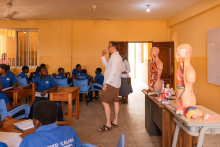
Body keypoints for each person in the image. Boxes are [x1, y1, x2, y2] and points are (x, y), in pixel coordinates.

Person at [98, 42, 123, 132]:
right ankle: (115, 121)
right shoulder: (117, 57)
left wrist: (106, 83)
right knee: (116, 101)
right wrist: (102, 57)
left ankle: (108, 125)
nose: (108, 48)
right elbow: (108, 67)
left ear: (113, 48)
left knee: (105, 102)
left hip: (111, 83)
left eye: (109, 46)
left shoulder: (115, 57)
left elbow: (113, 71)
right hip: (116, 83)